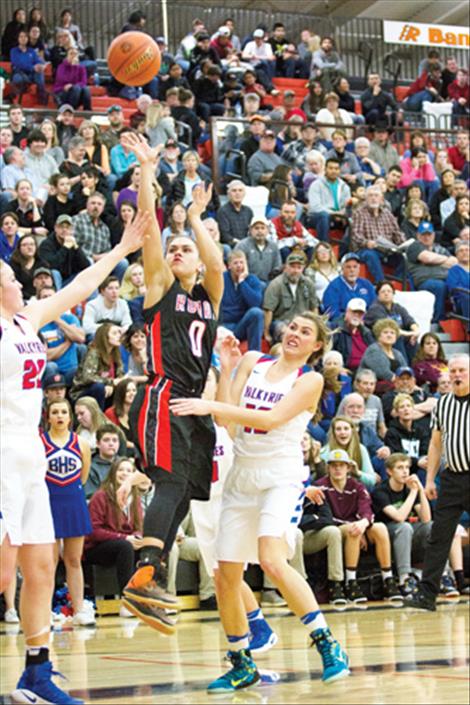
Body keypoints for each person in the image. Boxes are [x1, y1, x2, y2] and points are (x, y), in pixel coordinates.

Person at [0, 207, 148, 704]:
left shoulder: (25, 319)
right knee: (3, 573)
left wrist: (122, 251)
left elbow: (79, 288)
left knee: (41, 567)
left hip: (29, 455)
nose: (17, 280)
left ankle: (36, 674)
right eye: (7, 275)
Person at [171, 311, 350, 690]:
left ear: (316, 345)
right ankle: (241, 662)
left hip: (280, 477)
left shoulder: (310, 379)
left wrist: (212, 406)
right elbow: (228, 424)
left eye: (305, 332)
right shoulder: (254, 361)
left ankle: (327, 643)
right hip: (242, 474)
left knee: (271, 559)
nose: (295, 334)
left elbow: (269, 419)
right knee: (225, 574)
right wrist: (229, 368)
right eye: (293, 327)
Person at [111, 134, 224, 633]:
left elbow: (217, 264)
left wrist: (198, 221)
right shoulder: (157, 287)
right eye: (174, 248)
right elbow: (153, 230)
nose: (177, 251)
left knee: (186, 494)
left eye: (186, 249)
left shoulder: (209, 294)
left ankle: (149, 576)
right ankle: (142, 576)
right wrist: (148, 171)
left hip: (196, 405)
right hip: (162, 395)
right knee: (170, 482)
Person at [406, 354, 470, 611]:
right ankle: (426, 595)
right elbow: (435, 443)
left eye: (462, 371)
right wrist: (430, 479)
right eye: (453, 371)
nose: (456, 375)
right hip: (452, 478)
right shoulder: (443, 405)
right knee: (439, 537)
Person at [41, 399, 94, 626]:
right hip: (48, 504)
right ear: (48, 417)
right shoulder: (40, 443)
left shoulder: (80, 443)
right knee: (49, 562)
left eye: (64, 412)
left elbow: (83, 475)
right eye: (55, 412)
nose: (60, 416)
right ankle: (45, 610)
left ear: (70, 417)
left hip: (74, 502)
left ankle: (80, 608)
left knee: (73, 559)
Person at [84, 456, 150, 615]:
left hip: (123, 544)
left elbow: (138, 527)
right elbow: (94, 531)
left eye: (129, 471)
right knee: (125, 547)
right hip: (96, 548)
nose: (124, 473)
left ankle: (148, 599)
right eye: (121, 470)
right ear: (113, 472)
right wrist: (125, 538)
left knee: (149, 547)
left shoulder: (134, 498)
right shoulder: (101, 496)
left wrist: (137, 537)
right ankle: (127, 602)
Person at [372, 453, 432, 597]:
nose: (405, 471)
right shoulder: (380, 491)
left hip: (407, 536)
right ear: (389, 471)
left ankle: (441, 575)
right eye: (400, 468)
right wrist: (413, 493)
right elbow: (399, 517)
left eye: (407, 467)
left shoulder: (409, 488)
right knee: (404, 527)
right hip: (386, 537)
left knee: (433, 527)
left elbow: (426, 518)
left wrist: (420, 491)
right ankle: (404, 579)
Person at [350, 185, 405, 283]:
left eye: (376, 196)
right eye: (370, 196)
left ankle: (395, 283)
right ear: (366, 199)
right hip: (365, 250)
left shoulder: (387, 214)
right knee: (370, 254)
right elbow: (355, 235)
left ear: (381, 199)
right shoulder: (359, 213)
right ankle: (382, 283)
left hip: (386, 250)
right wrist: (366, 243)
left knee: (404, 257)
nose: (373, 198)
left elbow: (397, 233)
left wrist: (403, 244)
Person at [407, 221, 457, 323]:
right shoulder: (414, 246)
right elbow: (427, 258)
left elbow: (454, 262)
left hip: (446, 280)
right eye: (423, 235)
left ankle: (460, 320)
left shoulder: (440, 249)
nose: (426, 237)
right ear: (418, 235)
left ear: (433, 235)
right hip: (425, 281)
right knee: (438, 286)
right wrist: (445, 259)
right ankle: (437, 320)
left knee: (462, 286)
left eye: (429, 234)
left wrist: (437, 260)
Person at [263, 253, 318, 344]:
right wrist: (266, 333)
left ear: (303, 268)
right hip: (281, 321)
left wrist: (315, 327)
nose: (295, 270)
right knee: (286, 331)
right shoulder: (276, 284)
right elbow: (268, 310)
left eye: (298, 267)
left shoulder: (308, 284)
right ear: (286, 267)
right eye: (292, 267)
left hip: (303, 321)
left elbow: (314, 307)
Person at [38, 285, 86, 386]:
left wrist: (57, 320)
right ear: (39, 301)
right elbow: (46, 355)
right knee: (51, 366)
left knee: (79, 370)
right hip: (50, 372)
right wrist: (68, 341)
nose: (48, 299)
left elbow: (80, 338)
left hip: (70, 370)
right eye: (44, 297)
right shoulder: (38, 324)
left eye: (51, 296)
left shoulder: (69, 319)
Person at [70, 322, 125, 408]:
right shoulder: (94, 353)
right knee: (99, 387)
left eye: (119, 332)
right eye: (114, 333)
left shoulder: (116, 354)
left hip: (106, 390)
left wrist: (111, 385)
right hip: (82, 393)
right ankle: (98, 419)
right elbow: (88, 377)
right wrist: (110, 382)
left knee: (124, 387)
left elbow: (119, 376)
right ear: (105, 337)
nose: (118, 336)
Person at [364, 280, 420, 363]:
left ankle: (416, 368)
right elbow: (389, 328)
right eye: (383, 291)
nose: (386, 293)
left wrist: (416, 332)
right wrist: (410, 333)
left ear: (393, 293)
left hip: (399, 338)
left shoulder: (397, 307)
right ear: (378, 294)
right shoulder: (375, 309)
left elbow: (409, 320)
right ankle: (403, 368)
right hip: (381, 341)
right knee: (397, 337)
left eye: (389, 291)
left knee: (413, 340)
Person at [221, 251, 264, 352]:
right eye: (236, 263)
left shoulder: (253, 280)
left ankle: (254, 354)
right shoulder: (222, 279)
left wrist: (242, 282)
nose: (239, 266)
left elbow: (256, 303)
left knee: (256, 313)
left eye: (242, 263)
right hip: (224, 326)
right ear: (229, 266)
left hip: (242, 325)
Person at [322, 253, 376, 324]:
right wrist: (351, 319)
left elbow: (374, 306)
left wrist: (364, 319)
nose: (352, 270)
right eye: (348, 267)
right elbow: (332, 312)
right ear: (342, 269)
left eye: (355, 267)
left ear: (359, 269)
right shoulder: (334, 286)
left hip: (366, 322)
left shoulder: (366, 284)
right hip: (343, 323)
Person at [358, 318, 407, 394]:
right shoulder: (373, 350)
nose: (389, 335)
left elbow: (405, 371)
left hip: (395, 386)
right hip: (374, 388)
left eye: (392, 333)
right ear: (378, 335)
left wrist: (409, 383)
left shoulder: (397, 353)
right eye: (385, 332)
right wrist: (403, 383)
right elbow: (384, 373)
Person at [307, 158, 351, 242]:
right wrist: (334, 213)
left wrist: (342, 214)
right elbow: (315, 207)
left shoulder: (344, 187)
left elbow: (347, 205)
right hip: (316, 217)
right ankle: (324, 245)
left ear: (339, 170)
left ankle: (346, 251)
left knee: (353, 218)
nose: (333, 171)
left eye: (336, 169)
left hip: (338, 217)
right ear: (325, 169)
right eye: (331, 168)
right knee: (324, 216)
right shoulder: (316, 185)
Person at [332, 298, 375, 373]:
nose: (357, 315)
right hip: (346, 370)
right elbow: (328, 353)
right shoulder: (336, 329)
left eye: (360, 313)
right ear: (347, 311)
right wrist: (338, 368)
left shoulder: (366, 332)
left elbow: (375, 353)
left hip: (367, 371)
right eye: (354, 312)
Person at [216, 180, 253, 248]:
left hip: (247, 245)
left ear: (244, 194)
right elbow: (225, 235)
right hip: (231, 245)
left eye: (240, 190)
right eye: (234, 191)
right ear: (228, 194)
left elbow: (251, 231)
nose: (237, 193)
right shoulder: (223, 211)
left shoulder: (248, 211)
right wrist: (241, 244)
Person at [447, 240, 470, 322]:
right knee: (467, 297)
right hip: (463, 301)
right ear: (456, 255)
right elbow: (454, 288)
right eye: (461, 250)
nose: (464, 252)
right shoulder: (454, 270)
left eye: (467, 250)